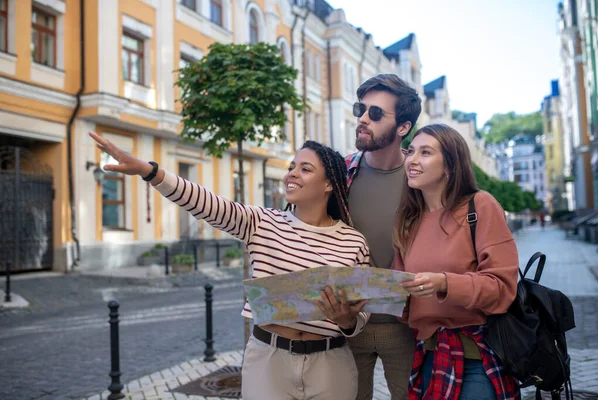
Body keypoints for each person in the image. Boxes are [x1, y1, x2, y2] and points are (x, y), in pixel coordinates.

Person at [89, 132, 371, 400]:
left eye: (305, 169)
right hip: (268, 360)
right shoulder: (261, 222)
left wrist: (347, 321)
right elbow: (206, 203)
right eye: (291, 166)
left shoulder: (353, 241)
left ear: (329, 184)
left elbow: (364, 311)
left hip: (330, 363)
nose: (292, 174)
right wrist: (149, 171)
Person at [392, 124, 521, 399]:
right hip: (428, 358)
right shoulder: (407, 220)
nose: (412, 160)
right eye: (411, 151)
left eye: (425, 152)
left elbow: (502, 289)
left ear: (450, 164)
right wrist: (367, 295)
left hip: (476, 360)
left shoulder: (479, 206)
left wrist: (444, 283)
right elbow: (401, 300)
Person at [345, 74, 422, 400]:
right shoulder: (339, 171)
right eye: (360, 109)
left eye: (375, 113)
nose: (363, 119)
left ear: (403, 127)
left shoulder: (423, 177)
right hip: (347, 324)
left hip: (407, 327)